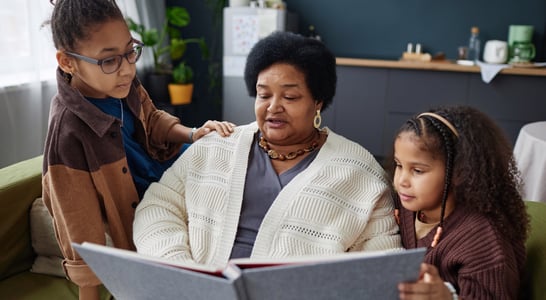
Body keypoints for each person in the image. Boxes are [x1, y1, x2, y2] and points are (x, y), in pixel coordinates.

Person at [133, 31, 402, 266]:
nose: (273, 107)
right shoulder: (216, 146)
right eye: (263, 95)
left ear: (318, 100)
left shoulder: (359, 171)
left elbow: (380, 258)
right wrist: (181, 268)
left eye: (290, 96)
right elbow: (159, 207)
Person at [42, 0, 234, 299]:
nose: (127, 69)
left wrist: (194, 134)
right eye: (109, 60)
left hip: (168, 170)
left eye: (130, 51)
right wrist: (89, 293)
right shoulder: (68, 130)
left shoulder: (123, 82)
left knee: (232, 146)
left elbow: (153, 118)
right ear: (68, 62)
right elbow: (76, 222)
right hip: (147, 205)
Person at [389, 106, 529, 299]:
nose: (402, 181)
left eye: (418, 170)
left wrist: (447, 297)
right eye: (399, 165)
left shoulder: (483, 241)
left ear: (459, 173)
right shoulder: (403, 206)